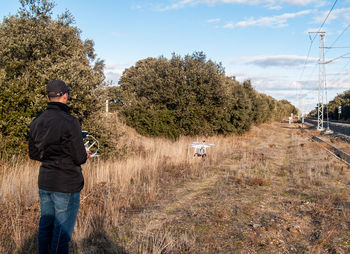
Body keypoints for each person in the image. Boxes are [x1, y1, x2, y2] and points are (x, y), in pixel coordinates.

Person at [29, 79, 90, 254]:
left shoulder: (36, 121)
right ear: (64, 96)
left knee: (45, 228)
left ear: (48, 97)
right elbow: (79, 157)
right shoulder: (71, 122)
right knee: (61, 235)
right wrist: (84, 154)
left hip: (46, 182)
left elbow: (34, 154)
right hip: (66, 184)